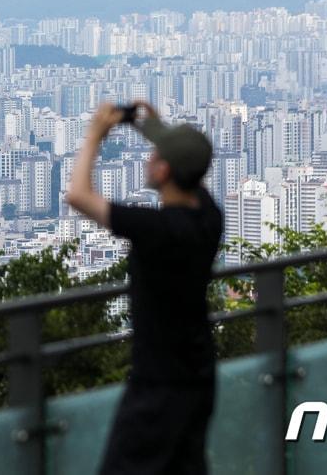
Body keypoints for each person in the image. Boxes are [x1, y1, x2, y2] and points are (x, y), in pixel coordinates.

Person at [65, 100, 222, 475]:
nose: (149, 158)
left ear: (164, 170)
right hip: (199, 374)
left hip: (158, 385)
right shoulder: (209, 217)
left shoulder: (155, 229)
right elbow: (189, 167)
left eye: (154, 154)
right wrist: (152, 128)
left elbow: (78, 196)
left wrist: (94, 135)